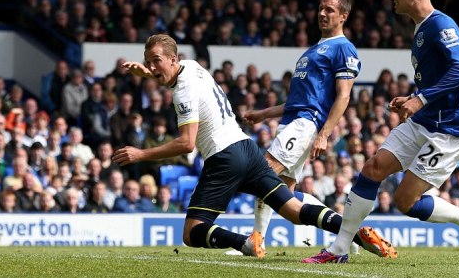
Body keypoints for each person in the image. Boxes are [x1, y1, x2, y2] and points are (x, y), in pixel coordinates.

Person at [113, 34, 394, 259]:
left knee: (192, 232)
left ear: (173, 59)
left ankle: (247, 243)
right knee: (293, 210)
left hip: (224, 157)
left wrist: (142, 154)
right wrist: (149, 73)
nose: (151, 66)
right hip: (247, 150)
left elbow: (187, 144)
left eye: (156, 61)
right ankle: (355, 232)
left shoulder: (183, 92)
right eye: (148, 61)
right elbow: (170, 76)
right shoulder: (193, 67)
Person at [306, 0, 459, 264]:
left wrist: (420, 99)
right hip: (424, 120)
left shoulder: (441, 25)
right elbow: (438, 78)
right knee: (372, 168)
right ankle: (338, 250)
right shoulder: (420, 27)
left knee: (406, 201)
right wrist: (413, 98)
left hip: (448, 129)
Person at [239, 0, 394, 258]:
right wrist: (264, 114)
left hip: (305, 125)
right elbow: (297, 101)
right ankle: (349, 232)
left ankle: (257, 240)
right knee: (285, 202)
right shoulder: (313, 50)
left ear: (344, 16)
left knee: (262, 173)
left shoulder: (343, 48)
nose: (322, 14)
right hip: (292, 121)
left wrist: (324, 134)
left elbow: (343, 96)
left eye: (330, 10)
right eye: (321, 9)